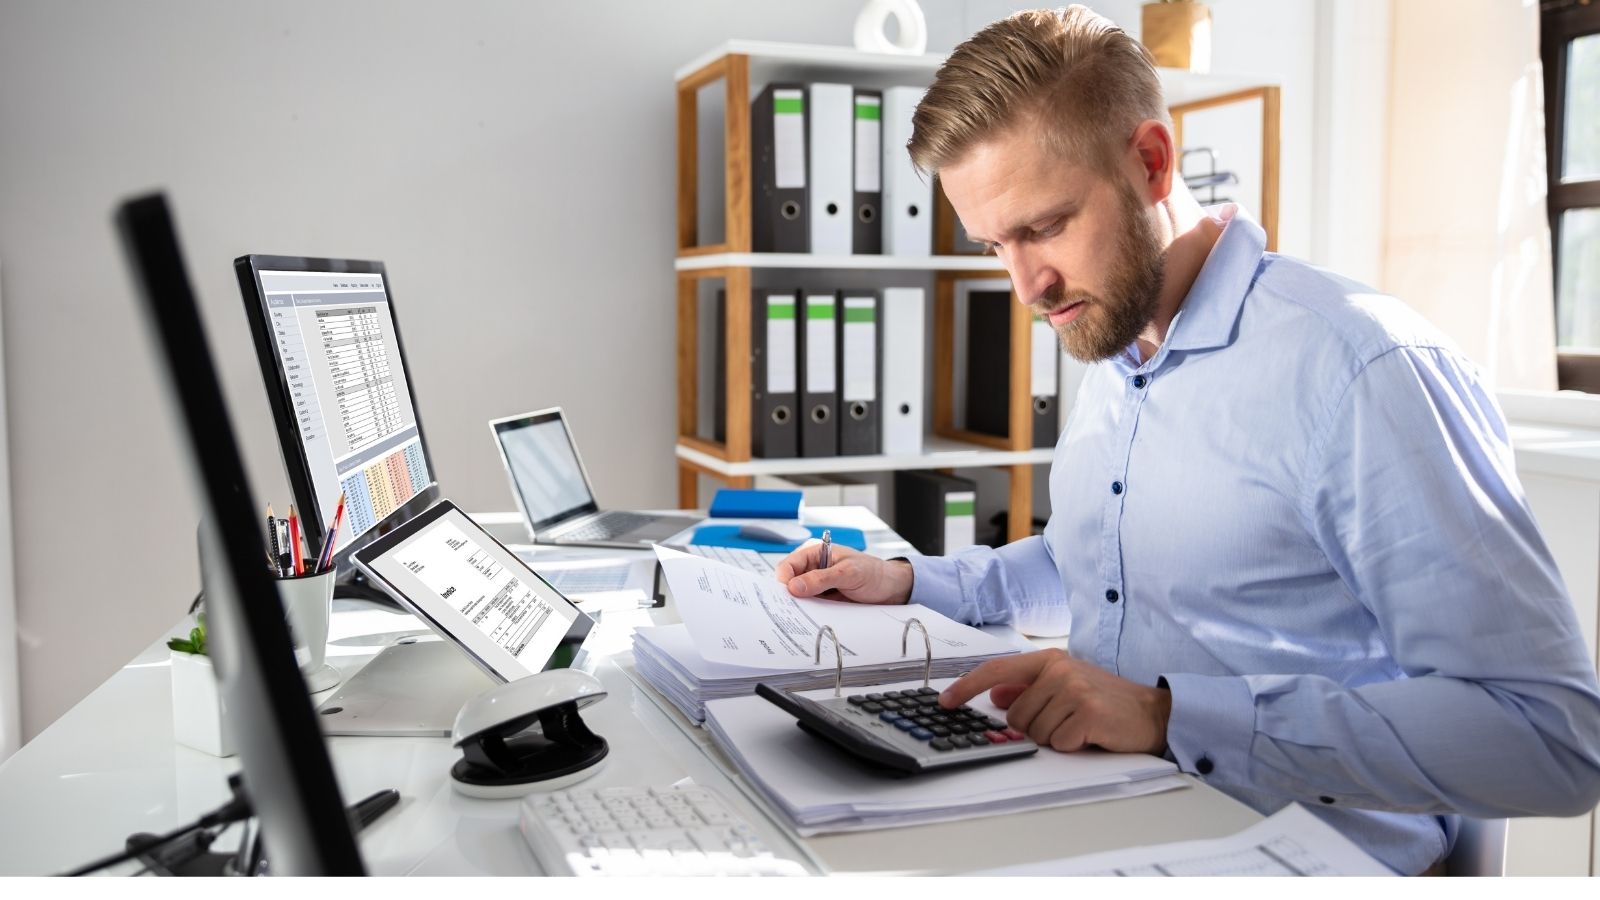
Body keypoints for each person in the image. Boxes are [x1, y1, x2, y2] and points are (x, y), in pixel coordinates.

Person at [776, 5, 1600, 875]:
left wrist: (1170, 716)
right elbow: (1090, 563)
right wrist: (908, 581)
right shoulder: (1117, 340)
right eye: (994, 246)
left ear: (1152, 163)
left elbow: (1550, 737)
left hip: (1293, 852)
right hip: (1109, 806)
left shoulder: (1363, 369)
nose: (1026, 285)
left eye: (1046, 226)